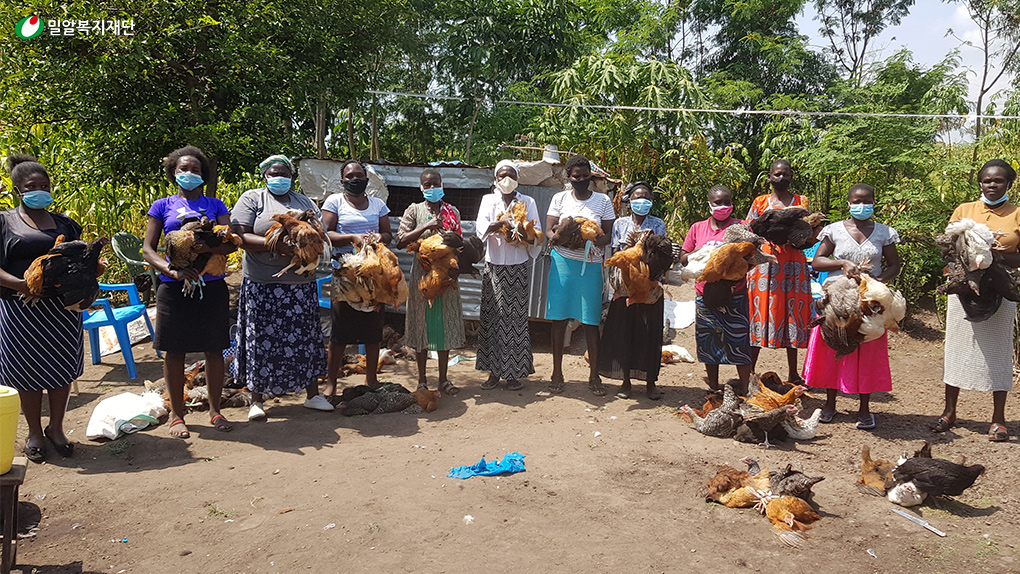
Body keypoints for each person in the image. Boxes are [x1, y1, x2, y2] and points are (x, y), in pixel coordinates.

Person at [143, 145, 237, 437]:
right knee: (174, 350)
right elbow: (148, 249)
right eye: (183, 169)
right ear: (173, 173)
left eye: (195, 170)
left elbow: (231, 244)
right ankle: (177, 414)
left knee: (214, 348)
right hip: (174, 288)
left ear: (203, 175)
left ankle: (215, 410)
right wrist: (173, 271)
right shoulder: (162, 205)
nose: (189, 173)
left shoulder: (216, 205)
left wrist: (205, 248)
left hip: (211, 285)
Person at [230, 154, 332, 420]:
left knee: (305, 338)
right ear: (265, 176)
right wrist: (277, 246)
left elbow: (319, 233)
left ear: (292, 177)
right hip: (263, 283)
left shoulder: (305, 202)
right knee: (261, 340)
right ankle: (257, 400)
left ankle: (313, 395)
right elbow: (240, 236)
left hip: (300, 283)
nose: (279, 178)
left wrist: (302, 248)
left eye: (284, 174)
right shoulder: (252, 199)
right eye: (274, 174)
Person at [0, 155, 83, 461]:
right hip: (20, 309)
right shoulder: (5, 222)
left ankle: (56, 428)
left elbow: (80, 259)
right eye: (31, 186)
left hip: (62, 309)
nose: (40, 190)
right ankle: (34, 432)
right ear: (17, 190)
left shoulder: (65, 224)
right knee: (26, 371)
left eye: (44, 185)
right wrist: (22, 285)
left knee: (61, 369)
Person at [932, 159, 1020, 441]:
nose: (992, 185)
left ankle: (998, 419)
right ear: (980, 183)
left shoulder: (1017, 214)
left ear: (1009, 184)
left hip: (1000, 288)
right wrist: (967, 250)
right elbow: (946, 250)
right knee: (956, 349)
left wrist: (994, 255)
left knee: (998, 352)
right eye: (987, 180)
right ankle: (949, 412)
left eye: (998, 180)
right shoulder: (964, 210)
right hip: (963, 288)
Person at [802, 183, 901, 430]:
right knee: (833, 346)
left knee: (867, 349)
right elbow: (817, 261)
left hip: (870, 301)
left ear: (874, 203)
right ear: (848, 204)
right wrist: (842, 263)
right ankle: (830, 404)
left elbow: (894, 265)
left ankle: (864, 408)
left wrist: (879, 280)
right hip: (836, 299)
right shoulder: (833, 230)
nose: (861, 205)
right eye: (856, 201)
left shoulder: (884, 233)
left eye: (866, 201)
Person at [321, 160, 392, 400]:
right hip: (343, 273)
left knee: (373, 327)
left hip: (373, 274)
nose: (355, 179)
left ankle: (371, 379)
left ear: (366, 179)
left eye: (359, 175)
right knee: (339, 329)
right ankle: (331, 383)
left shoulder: (378, 204)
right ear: (342, 180)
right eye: (350, 176)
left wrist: (378, 236)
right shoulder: (334, 202)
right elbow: (325, 234)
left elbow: (388, 234)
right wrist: (352, 237)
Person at [545, 154, 615, 395]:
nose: (581, 180)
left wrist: (590, 241)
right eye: (577, 176)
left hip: (590, 265)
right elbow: (548, 229)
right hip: (562, 264)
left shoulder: (603, 201)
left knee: (591, 321)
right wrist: (561, 239)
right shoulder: (559, 198)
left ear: (590, 177)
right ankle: (556, 373)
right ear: (568, 176)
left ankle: (594, 375)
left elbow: (608, 234)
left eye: (585, 176)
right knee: (558, 319)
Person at [396, 168, 466, 396]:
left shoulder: (452, 211)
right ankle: (422, 380)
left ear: (442, 184)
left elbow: (461, 243)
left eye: (436, 183)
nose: (432, 188)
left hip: (446, 273)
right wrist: (425, 227)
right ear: (421, 187)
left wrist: (453, 242)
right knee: (421, 324)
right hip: (422, 274)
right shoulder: (414, 210)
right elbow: (400, 241)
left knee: (444, 324)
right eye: (427, 185)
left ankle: (444, 379)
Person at [475, 160, 542, 391]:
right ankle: (494, 372)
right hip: (493, 267)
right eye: (502, 175)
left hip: (517, 267)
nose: (507, 180)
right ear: (495, 179)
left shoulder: (527, 202)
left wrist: (522, 232)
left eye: (511, 175)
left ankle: (513, 373)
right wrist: (499, 225)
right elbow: (481, 229)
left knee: (515, 321)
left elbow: (536, 235)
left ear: (517, 179)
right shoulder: (488, 200)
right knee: (493, 318)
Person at [680, 184, 752, 395]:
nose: (723, 206)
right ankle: (713, 387)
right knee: (708, 340)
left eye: (726, 202)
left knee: (740, 341)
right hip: (706, 294)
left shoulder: (741, 227)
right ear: (709, 204)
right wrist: (702, 254)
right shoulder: (697, 228)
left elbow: (752, 257)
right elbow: (683, 257)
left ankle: (745, 389)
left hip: (735, 294)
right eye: (718, 203)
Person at [598, 182, 667, 400]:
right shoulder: (620, 224)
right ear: (629, 201)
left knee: (649, 334)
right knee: (624, 334)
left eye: (646, 196)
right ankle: (625, 381)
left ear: (651, 201)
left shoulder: (657, 224)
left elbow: (663, 256)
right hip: (626, 288)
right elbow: (615, 256)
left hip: (650, 287)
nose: (641, 200)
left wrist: (645, 247)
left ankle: (650, 383)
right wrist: (628, 247)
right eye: (637, 197)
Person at [746, 159, 812, 383]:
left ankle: (793, 373)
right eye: (777, 174)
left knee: (792, 312)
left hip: (793, 263)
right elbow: (749, 230)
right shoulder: (760, 202)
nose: (781, 178)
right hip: (765, 264)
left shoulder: (801, 201)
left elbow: (807, 230)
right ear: (770, 177)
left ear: (791, 176)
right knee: (760, 311)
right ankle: (749, 371)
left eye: (785, 174)